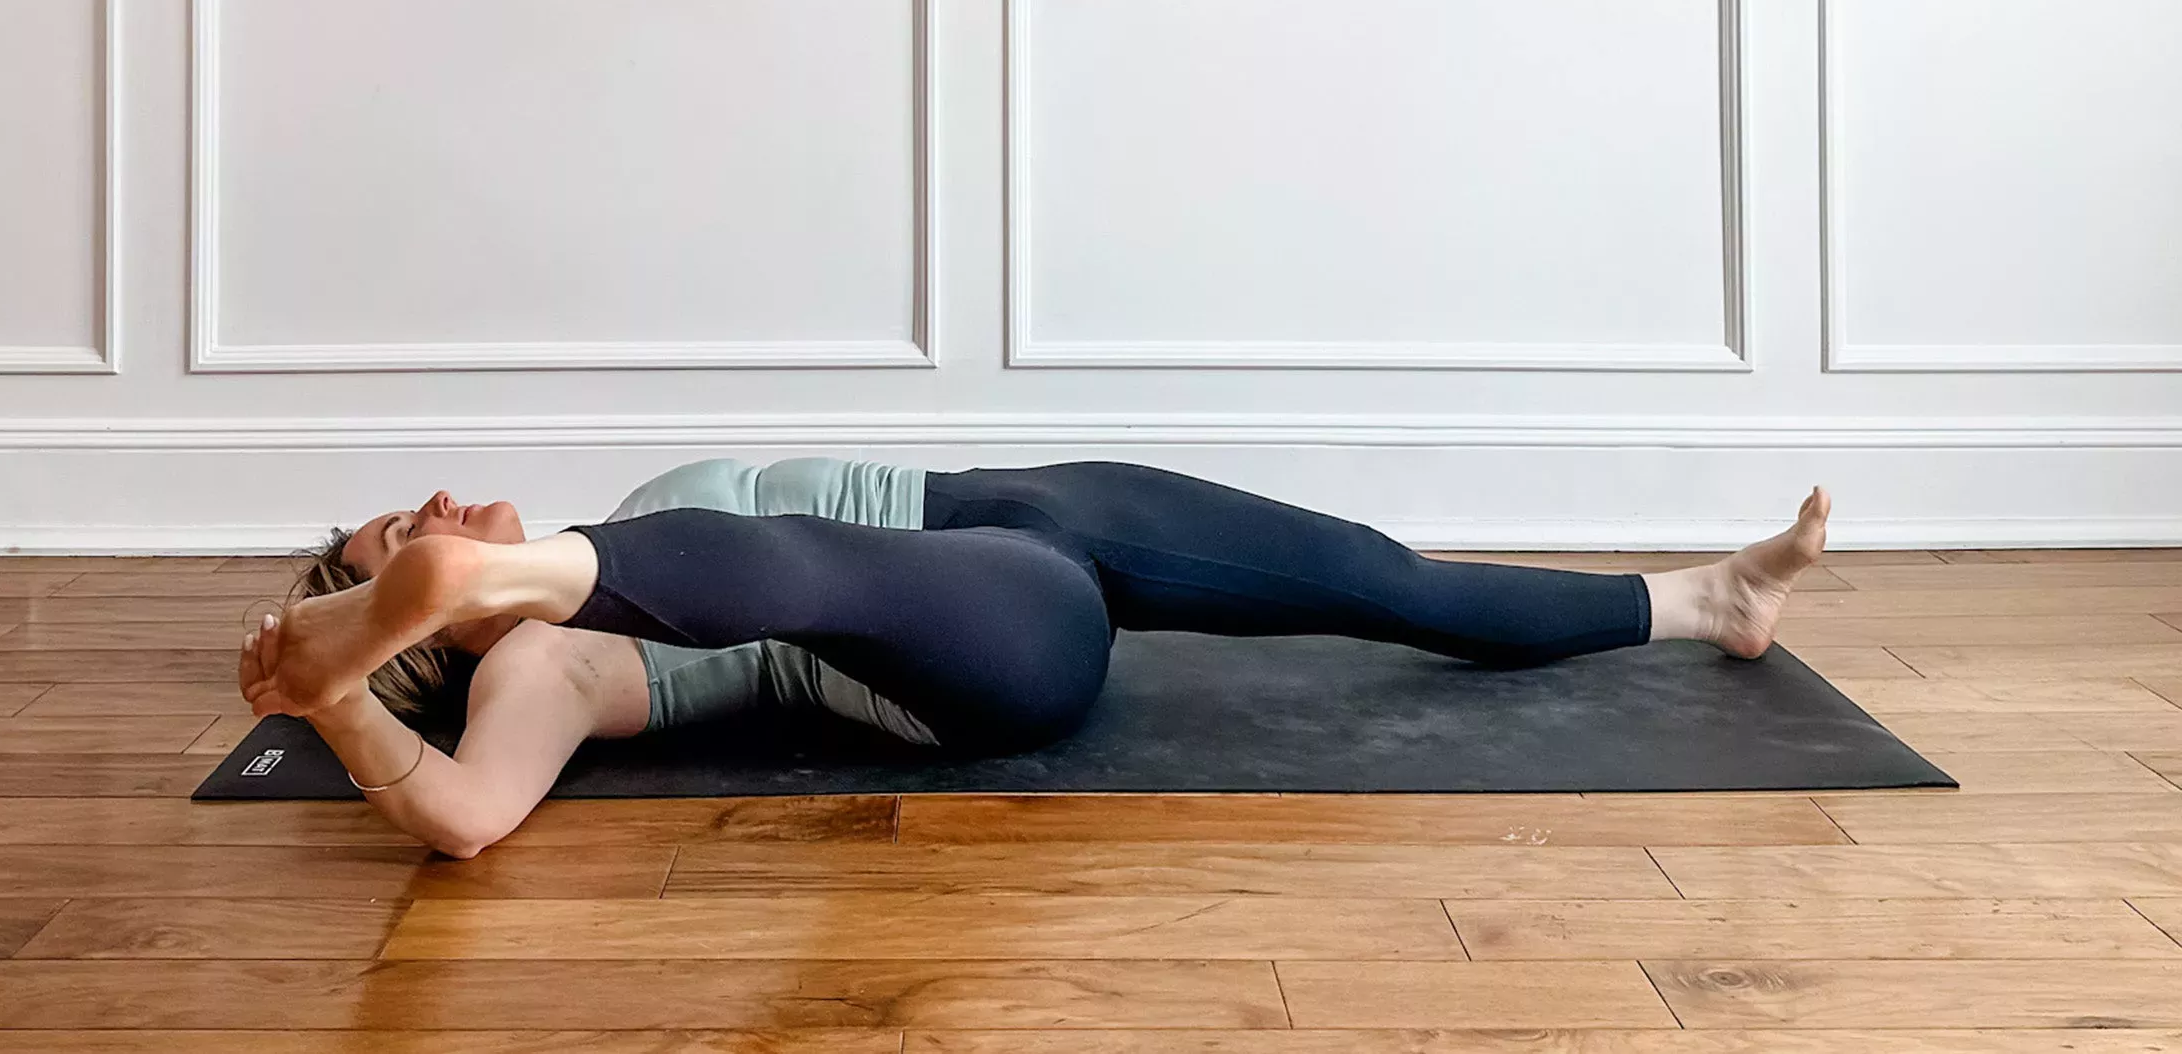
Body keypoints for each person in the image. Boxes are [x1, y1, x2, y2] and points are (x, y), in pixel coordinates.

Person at [239, 457, 1831, 858]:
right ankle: (466, 594)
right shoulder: (545, 668)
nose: (436, 499)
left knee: (1367, 569)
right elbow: (463, 822)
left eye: (425, 518)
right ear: (424, 640)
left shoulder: (609, 543)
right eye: (411, 536)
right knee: (797, 567)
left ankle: (1705, 599)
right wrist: (330, 704)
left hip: (1007, 509)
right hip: (971, 651)